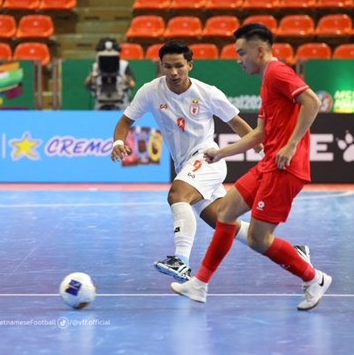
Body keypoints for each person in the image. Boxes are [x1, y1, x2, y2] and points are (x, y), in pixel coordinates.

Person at [170, 23, 331, 311]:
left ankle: (313, 277)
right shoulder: (267, 82)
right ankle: (199, 284)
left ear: (260, 50)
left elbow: (313, 102)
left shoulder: (279, 73)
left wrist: (292, 144)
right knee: (226, 212)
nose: (238, 59)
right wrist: (222, 153)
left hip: (285, 168)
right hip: (269, 163)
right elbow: (259, 134)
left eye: (242, 52)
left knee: (258, 239)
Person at [110, 40, 257, 282]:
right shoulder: (150, 91)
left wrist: (263, 150)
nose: (174, 72)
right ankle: (291, 251)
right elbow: (125, 121)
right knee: (221, 220)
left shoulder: (207, 93)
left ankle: (181, 260)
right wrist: (118, 143)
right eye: (167, 67)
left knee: (177, 195)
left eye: (179, 66)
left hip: (208, 157)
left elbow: (237, 124)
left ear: (190, 64)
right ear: (161, 67)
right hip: (184, 164)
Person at [85, 38, 136, 110]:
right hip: (101, 103)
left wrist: (126, 79)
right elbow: (87, 85)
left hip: (121, 104)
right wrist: (93, 77)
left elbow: (132, 85)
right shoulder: (96, 66)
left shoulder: (124, 65)